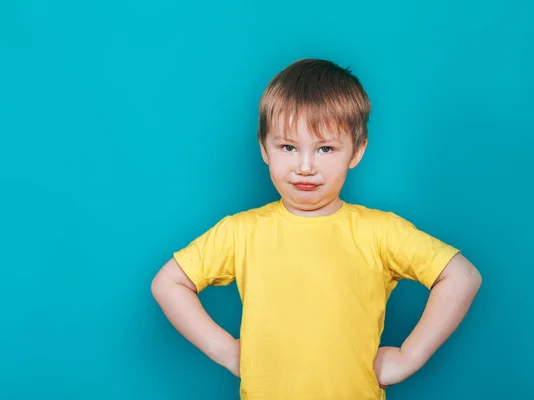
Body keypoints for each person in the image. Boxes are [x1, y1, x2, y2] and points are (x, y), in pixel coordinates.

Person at [151, 58, 482, 400]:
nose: (305, 167)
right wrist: (227, 351)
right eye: (288, 147)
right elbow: (169, 283)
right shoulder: (241, 232)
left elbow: (462, 276)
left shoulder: (380, 232)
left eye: (325, 148)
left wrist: (408, 357)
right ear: (264, 148)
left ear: (356, 151)